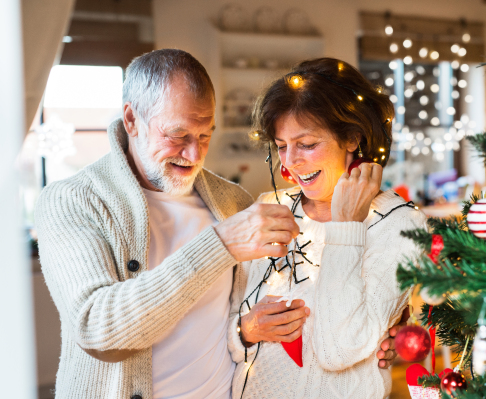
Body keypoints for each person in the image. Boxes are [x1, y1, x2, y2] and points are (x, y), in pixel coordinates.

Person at [35, 49, 399, 399]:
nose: (193, 154)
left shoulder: (232, 202)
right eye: (177, 136)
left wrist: (386, 322)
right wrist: (219, 244)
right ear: (131, 119)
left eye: (205, 135)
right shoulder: (72, 201)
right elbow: (98, 330)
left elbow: (263, 310)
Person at [228, 58, 427, 399]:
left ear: (352, 137)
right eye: (281, 146)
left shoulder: (400, 224)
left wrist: (346, 225)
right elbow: (231, 333)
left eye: (306, 144)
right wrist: (244, 331)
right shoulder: (269, 208)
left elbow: (339, 351)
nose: (290, 161)